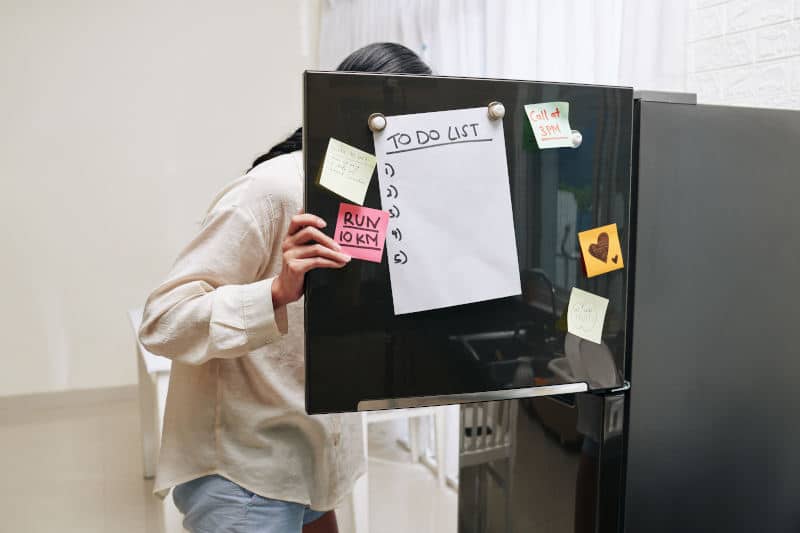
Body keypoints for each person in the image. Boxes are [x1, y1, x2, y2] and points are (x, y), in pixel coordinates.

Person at [138, 43, 432, 533]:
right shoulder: (271, 191)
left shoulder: (378, 194)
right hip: (247, 476)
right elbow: (162, 321)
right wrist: (275, 291)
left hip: (316, 459)